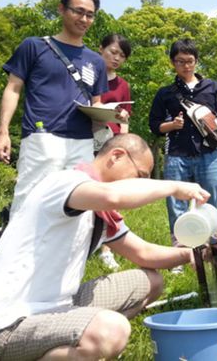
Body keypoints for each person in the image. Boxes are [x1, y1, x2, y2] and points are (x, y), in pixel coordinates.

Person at [0, 133, 210, 360]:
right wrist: (173, 187)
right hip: (11, 324)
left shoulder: (100, 212)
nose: (141, 184)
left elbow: (143, 253)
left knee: (151, 282)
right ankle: (85, 345)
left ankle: (81, 345)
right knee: (112, 329)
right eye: (140, 175)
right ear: (116, 156)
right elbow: (113, 196)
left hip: (59, 306)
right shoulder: (67, 182)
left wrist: (191, 254)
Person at [0, 0, 126, 220]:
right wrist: (3, 131)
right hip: (42, 137)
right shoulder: (34, 46)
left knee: (78, 207)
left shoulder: (95, 61)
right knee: (29, 202)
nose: (84, 19)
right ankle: (15, 255)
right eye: (78, 11)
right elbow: (13, 89)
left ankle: (66, 256)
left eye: (90, 15)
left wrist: (113, 115)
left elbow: (96, 104)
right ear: (62, 9)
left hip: (82, 142)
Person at [148, 39, 217, 272]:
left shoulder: (212, 88)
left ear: (196, 62)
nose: (186, 66)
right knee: (175, 203)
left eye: (190, 61)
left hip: (209, 153)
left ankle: (214, 250)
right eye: (180, 61)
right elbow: (154, 125)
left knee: (211, 201)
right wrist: (172, 125)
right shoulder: (166, 93)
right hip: (176, 154)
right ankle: (180, 255)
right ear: (172, 63)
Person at [96, 33, 133, 270]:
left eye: (122, 55)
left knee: (110, 196)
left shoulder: (123, 86)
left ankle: (107, 249)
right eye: (113, 52)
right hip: (84, 141)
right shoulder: (88, 77)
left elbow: (126, 117)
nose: (117, 58)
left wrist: (124, 144)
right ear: (100, 49)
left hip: (110, 145)